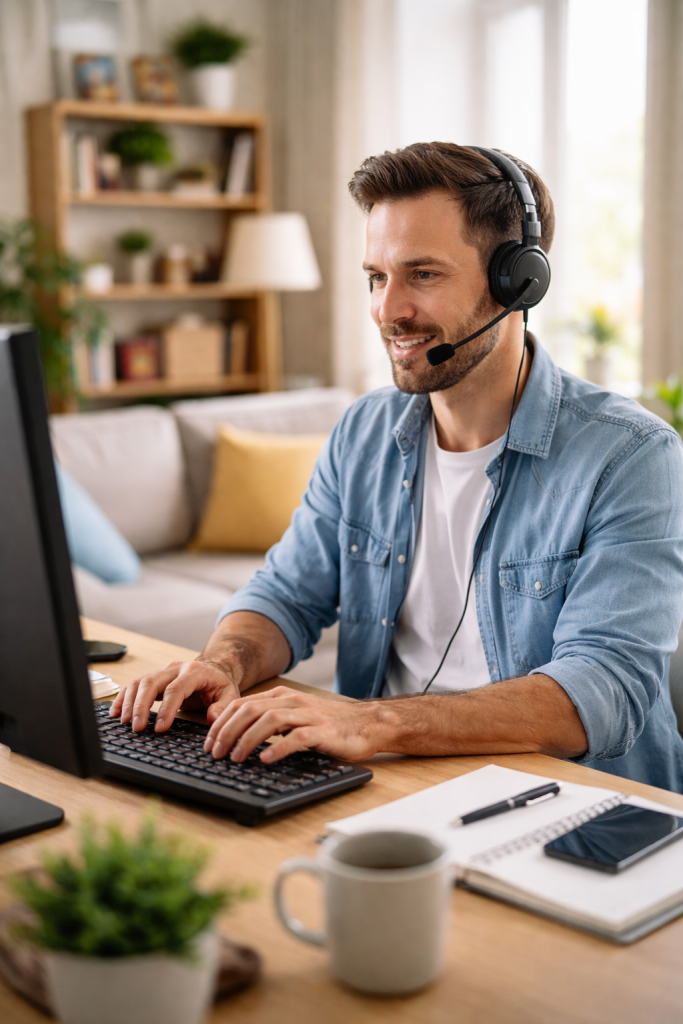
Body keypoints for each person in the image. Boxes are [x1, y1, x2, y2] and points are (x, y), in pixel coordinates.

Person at [111, 142, 683, 792]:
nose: (387, 310)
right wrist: (224, 664)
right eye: (376, 277)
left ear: (517, 282)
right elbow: (286, 595)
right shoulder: (364, 432)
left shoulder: (631, 455)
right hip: (387, 781)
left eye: (423, 274)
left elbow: (603, 689)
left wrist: (372, 723)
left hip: (567, 801)